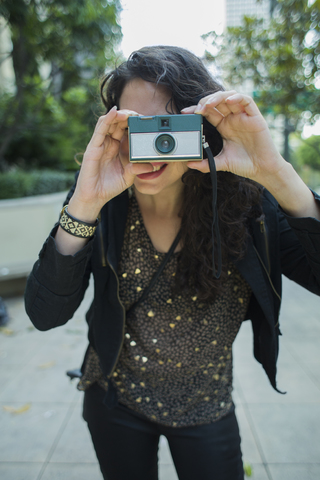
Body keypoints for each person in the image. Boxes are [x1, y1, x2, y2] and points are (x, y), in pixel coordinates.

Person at [24, 46, 320, 480]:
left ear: (201, 130)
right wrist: (84, 204)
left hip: (206, 406)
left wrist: (276, 174)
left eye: (168, 127)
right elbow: (45, 314)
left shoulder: (246, 203)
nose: (151, 148)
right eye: (132, 129)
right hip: (115, 399)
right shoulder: (102, 199)